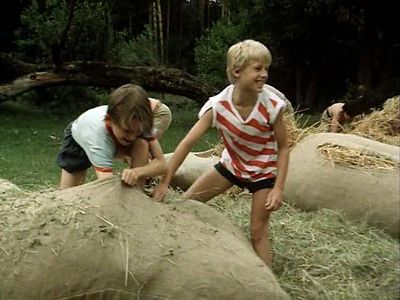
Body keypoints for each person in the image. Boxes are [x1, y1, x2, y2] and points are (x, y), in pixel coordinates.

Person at [153, 39, 290, 266]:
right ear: (237, 71)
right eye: (257, 68)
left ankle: (268, 285)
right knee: (186, 204)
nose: (264, 74)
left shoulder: (273, 105)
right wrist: (165, 181)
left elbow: (284, 147)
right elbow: (187, 143)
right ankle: (176, 258)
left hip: (263, 173)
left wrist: (278, 188)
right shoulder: (217, 106)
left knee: (257, 232)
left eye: (266, 68)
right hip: (231, 167)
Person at [56, 83, 167, 189]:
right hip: (79, 140)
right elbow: (107, 185)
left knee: (142, 142)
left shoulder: (140, 123)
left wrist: (137, 172)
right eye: (127, 131)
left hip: (110, 133)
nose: (132, 137)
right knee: (68, 194)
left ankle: (138, 193)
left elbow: (162, 164)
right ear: (109, 121)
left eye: (137, 132)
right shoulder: (98, 139)